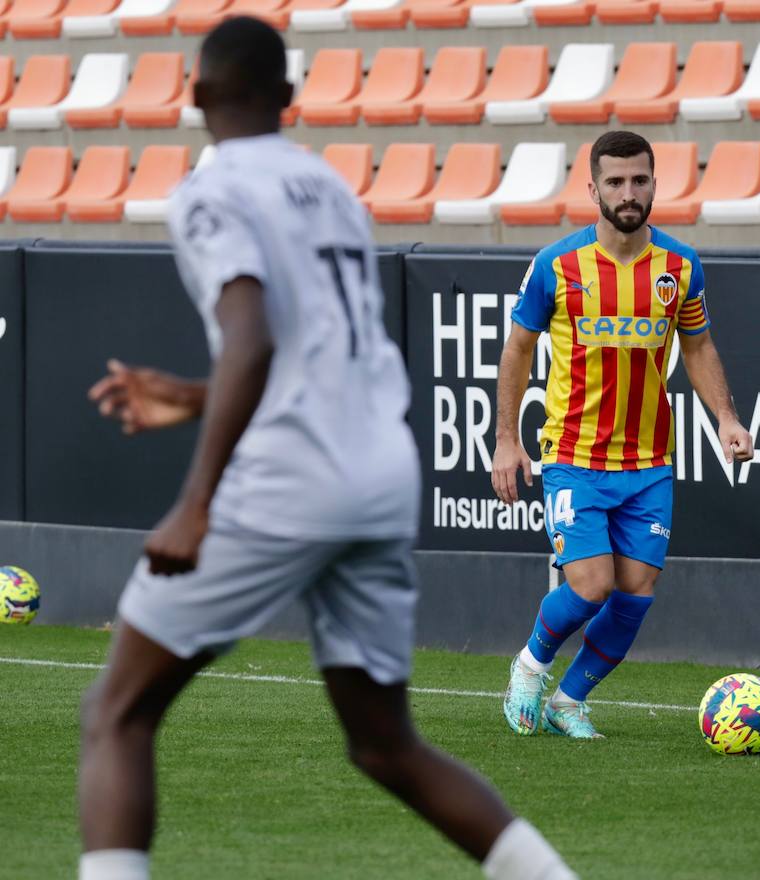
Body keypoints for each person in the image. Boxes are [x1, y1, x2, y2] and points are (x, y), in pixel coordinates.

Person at [78, 18, 575, 880]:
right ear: (289, 99)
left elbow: (252, 335)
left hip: (288, 481)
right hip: (380, 476)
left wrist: (196, 501)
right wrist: (196, 399)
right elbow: (320, 358)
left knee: (117, 713)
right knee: (386, 746)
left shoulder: (210, 191)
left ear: (195, 97)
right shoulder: (331, 189)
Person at [492, 130, 754, 740]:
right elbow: (518, 349)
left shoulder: (680, 268)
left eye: (639, 180)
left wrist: (727, 418)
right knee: (591, 583)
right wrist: (508, 439)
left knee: (635, 592)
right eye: (615, 182)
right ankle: (530, 665)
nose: (628, 193)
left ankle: (569, 700)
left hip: (649, 462)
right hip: (573, 456)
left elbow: (699, 345)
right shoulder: (558, 265)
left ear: (656, 184)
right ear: (593, 189)